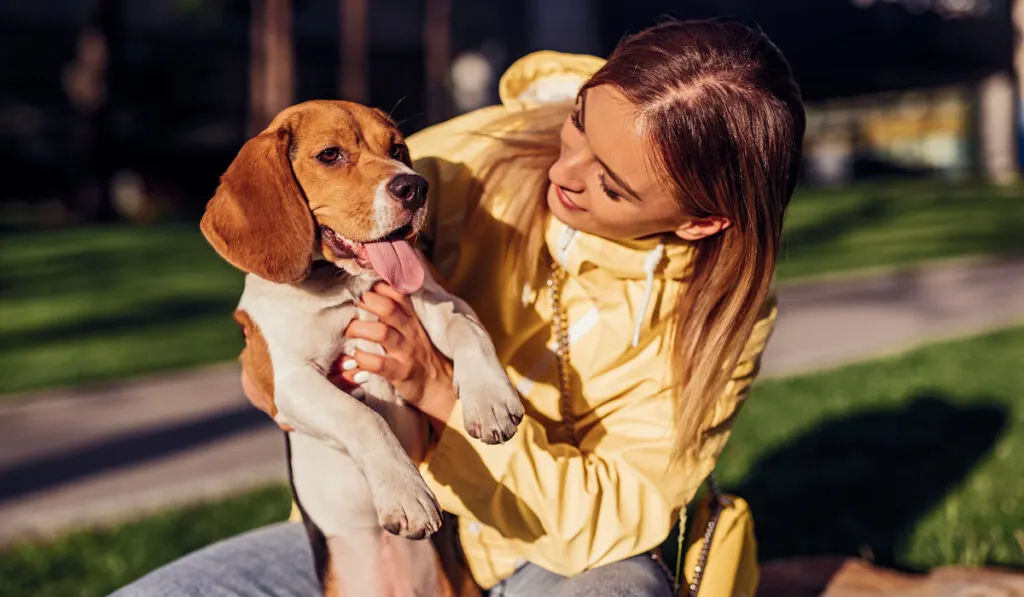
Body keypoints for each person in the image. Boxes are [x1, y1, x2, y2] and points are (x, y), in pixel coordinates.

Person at [113, 19, 805, 597]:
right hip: (364, 534)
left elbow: (619, 520)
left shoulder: (721, 318)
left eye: (612, 185)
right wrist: (266, 359)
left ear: (698, 222)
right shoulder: (469, 158)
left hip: (555, 554)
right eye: (577, 127)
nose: (563, 173)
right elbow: (292, 233)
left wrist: (440, 389)